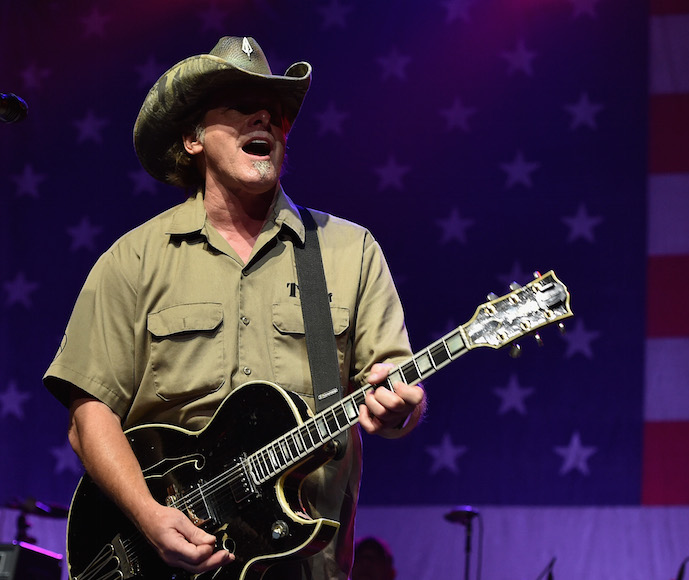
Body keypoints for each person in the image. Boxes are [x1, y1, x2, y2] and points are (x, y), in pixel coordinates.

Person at [43, 36, 426, 580]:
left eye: (275, 111)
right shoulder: (133, 259)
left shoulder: (349, 251)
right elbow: (89, 419)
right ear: (192, 138)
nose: (264, 118)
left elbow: (393, 396)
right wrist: (150, 517)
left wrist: (401, 406)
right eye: (241, 106)